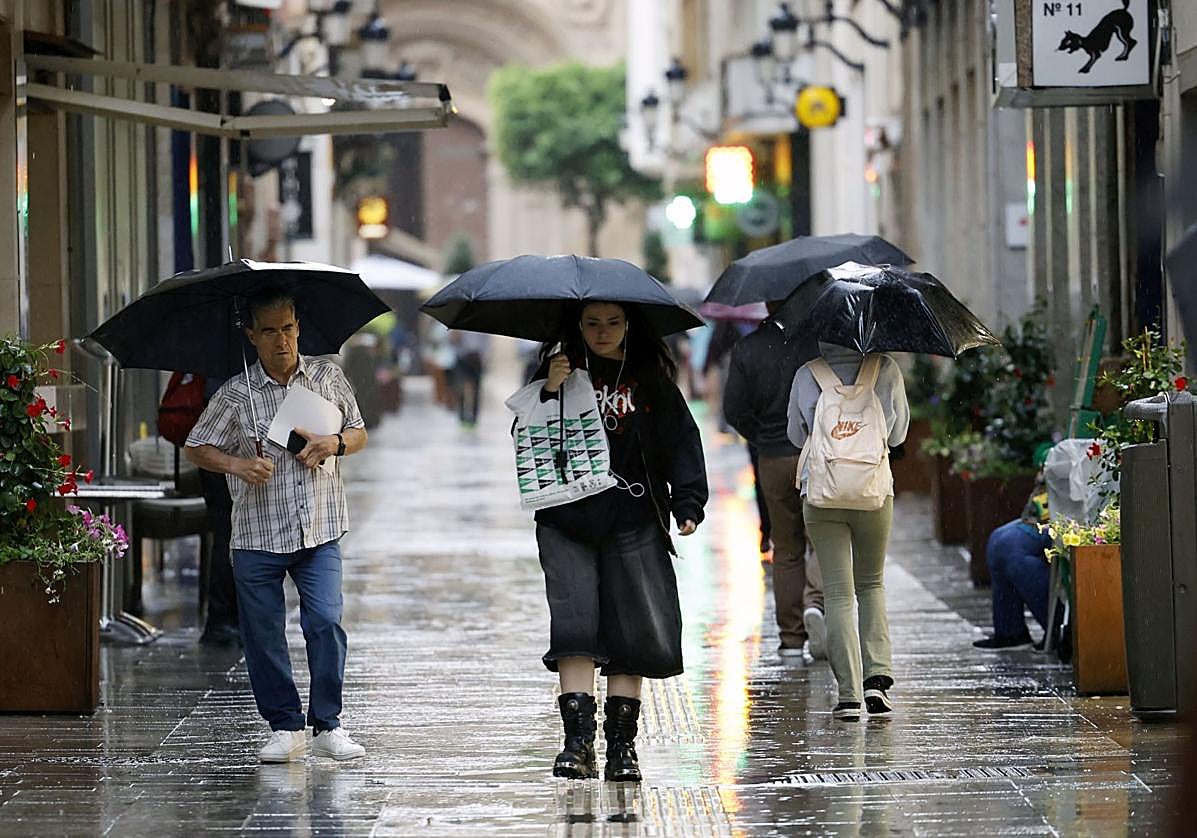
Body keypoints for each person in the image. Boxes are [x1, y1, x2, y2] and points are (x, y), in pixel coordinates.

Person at [184, 287, 369, 763]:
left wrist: (334, 444)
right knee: (263, 633)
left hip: (320, 527)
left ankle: (328, 723)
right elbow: (197, 446)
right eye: (269, 331)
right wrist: (237, 465)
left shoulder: (327, 376)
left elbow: (359, 430)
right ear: (251, 335)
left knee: (325, 621)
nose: (281, 340)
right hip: (257, 534)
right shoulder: (235, 393)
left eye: (288, 328)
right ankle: (285, 726)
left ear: (298, 328)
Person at [528, 301, 708, 782]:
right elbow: (526, 436)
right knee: (574, 625)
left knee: (634, 631)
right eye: (592, 323)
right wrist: (548, 388)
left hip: (634, 518)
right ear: (577, 326)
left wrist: (688, 503)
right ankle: (576, 744)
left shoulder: (648, 377)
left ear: (629, 325)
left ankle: (622, 750)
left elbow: (680, 440)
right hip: (566, 519)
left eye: (612, 323)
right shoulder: (555, 372)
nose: (602, 332)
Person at [788, 341, 909, 721]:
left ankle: (848, 697)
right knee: (871, 585)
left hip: (822, 494)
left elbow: (795, 435)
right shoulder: (884, 368)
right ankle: (877, 680)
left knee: (837, 593)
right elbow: (898, 435)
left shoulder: (808, 373)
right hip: (873, 492)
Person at [724, 302, 826, 660]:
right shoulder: (817, 342)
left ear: (766, 304)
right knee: (822, 539)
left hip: (773, 456)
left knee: (786, 549)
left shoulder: (748, 348)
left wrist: (762, 437)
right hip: (815, 453)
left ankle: (792, 638)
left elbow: (733, 409)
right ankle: (816, 604)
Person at [973, 475, 1053, 649]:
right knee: (1000, 539)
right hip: (1047, 513)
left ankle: (1061, 628)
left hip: (1077, 516)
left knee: (1011, 546)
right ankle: (1011, 632)